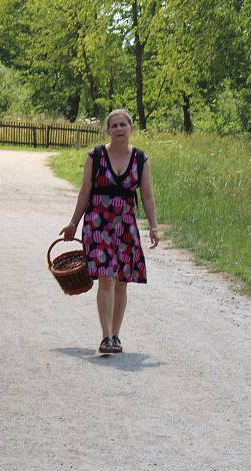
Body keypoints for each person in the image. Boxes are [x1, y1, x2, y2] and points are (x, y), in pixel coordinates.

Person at [60, 109, 159, 354]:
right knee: (106, 278)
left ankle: (116, 334)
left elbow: (146, 195)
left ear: (131, 128)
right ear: (107, 130)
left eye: (123, 124)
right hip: (98, 224)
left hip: (125, 225)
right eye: (113, 125)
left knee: (122, 282)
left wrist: (154, 227)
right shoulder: (95, 155)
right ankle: (106, 337)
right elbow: (85, 191)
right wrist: (73, 223)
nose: (118, 129)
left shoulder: (140, 159)